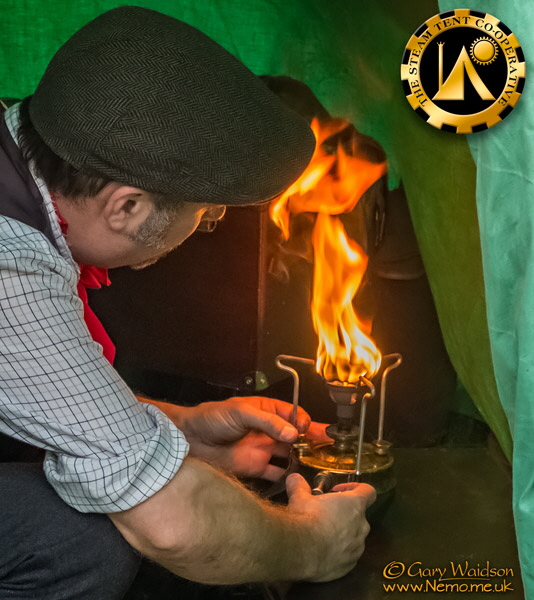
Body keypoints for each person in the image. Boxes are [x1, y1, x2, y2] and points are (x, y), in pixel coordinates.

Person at [0, 6, 375, 599]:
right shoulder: (11, 273)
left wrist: (182, 431)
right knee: (77, 539)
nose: (211, 220)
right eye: (205, 213)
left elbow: (28, 388)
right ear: (126, 207)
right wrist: (314, 545)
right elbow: (172, 525)